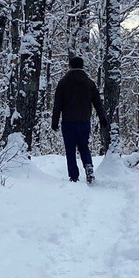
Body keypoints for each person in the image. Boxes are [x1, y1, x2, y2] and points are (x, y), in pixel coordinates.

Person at [51, 55, 109, 184]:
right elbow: (98, 103)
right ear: (82, 66)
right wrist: (102, 118)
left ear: (70, 66)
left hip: (68, 121)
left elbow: (57, 103)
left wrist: (54, 121)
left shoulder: (63, 82)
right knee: (84, 146)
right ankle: (88, 166)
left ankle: (74, 177)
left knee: (70, 149)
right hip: (84, 121)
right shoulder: (89, 83)